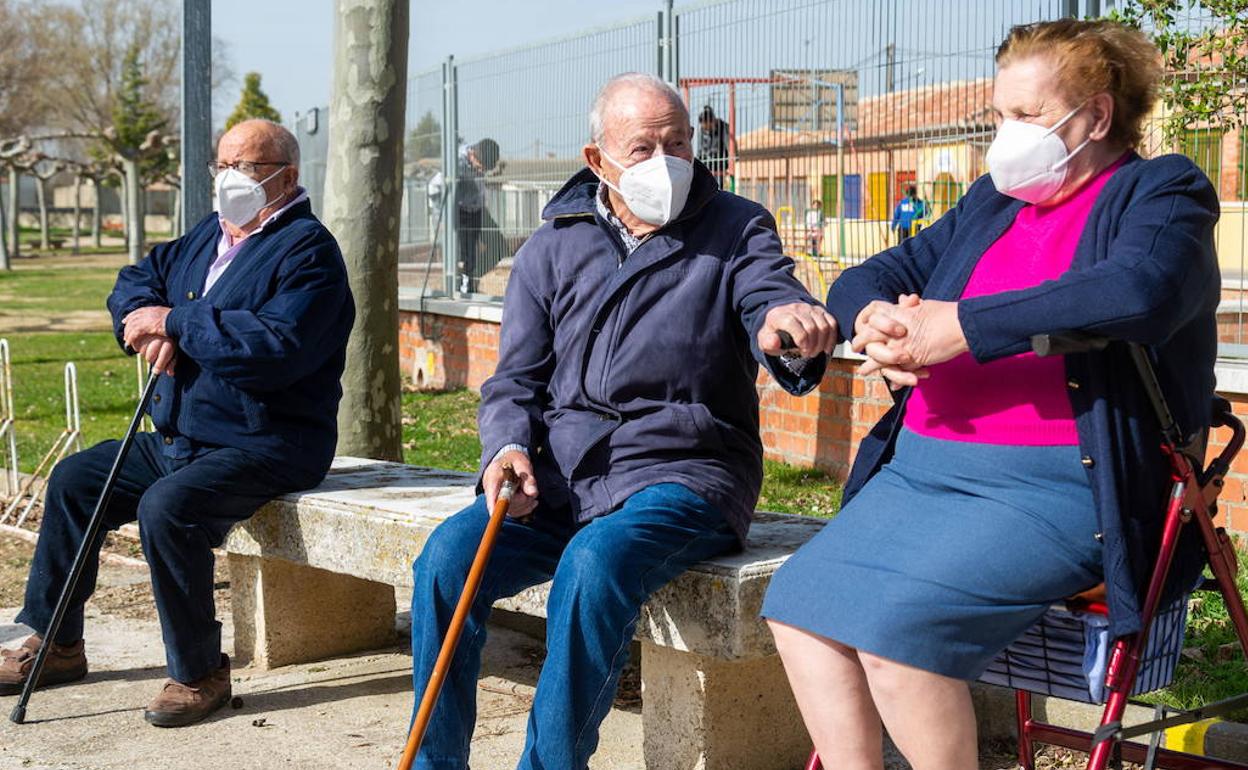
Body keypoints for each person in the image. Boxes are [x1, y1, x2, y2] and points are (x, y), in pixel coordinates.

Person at [761, 19, 1219, 770]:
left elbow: (1139, 290)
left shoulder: (1159, 191)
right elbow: (872, 272)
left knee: (899, 639)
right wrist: (870, 316)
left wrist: (963, 327)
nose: (1004, 135)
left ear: (1097, 116)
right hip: (922, 474)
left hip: (1054, 489)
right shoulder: (993, 203)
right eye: (999, 115)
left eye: (1026, 116)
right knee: (798, 606)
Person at [408, 72, 837, 770]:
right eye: (642, 148)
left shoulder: (735, 227)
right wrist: (506, 449)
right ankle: (434, 761)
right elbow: (514, 378)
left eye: (677, 144)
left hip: (685, 471)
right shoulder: (552, 245)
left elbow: (771, 291)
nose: (664, 162)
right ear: (596, 159)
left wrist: (786, 325)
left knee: (594, 563)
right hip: (565, 478)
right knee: (446, 562)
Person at [0, 119, 355, 727]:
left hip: (269, 440)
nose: (228, 179)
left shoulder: (309, 252)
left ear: (286, 176)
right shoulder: (208, 237)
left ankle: (199, 673)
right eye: (221, 165)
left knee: (168, 508)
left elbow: (279, 348)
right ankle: (57, 642)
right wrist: (141, 316)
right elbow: (138, 280)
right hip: (184, 435)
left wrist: (177, 323)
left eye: (244, 166)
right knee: (78, 480)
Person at [427, 138, 501, 294]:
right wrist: (441, 216)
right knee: (464, 254)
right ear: (472, 155)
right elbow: (434, 186)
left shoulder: (479, 158)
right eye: (480, 167)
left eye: (485, 170)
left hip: (478, 209)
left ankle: (470, 277)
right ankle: (463, 285)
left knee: (498, 245)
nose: (482, 172)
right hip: (461, 211)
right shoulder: (457, 163)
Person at [697, 104, 731, 188]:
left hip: (720, 163)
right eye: (703, 127)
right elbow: (700, 149)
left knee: (717, 187)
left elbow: (729, 146)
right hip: (707, 162)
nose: (705, 129)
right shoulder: (702, 130)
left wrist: (731, 163)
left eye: (707, 127)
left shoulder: (724, 128)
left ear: (712, 121)